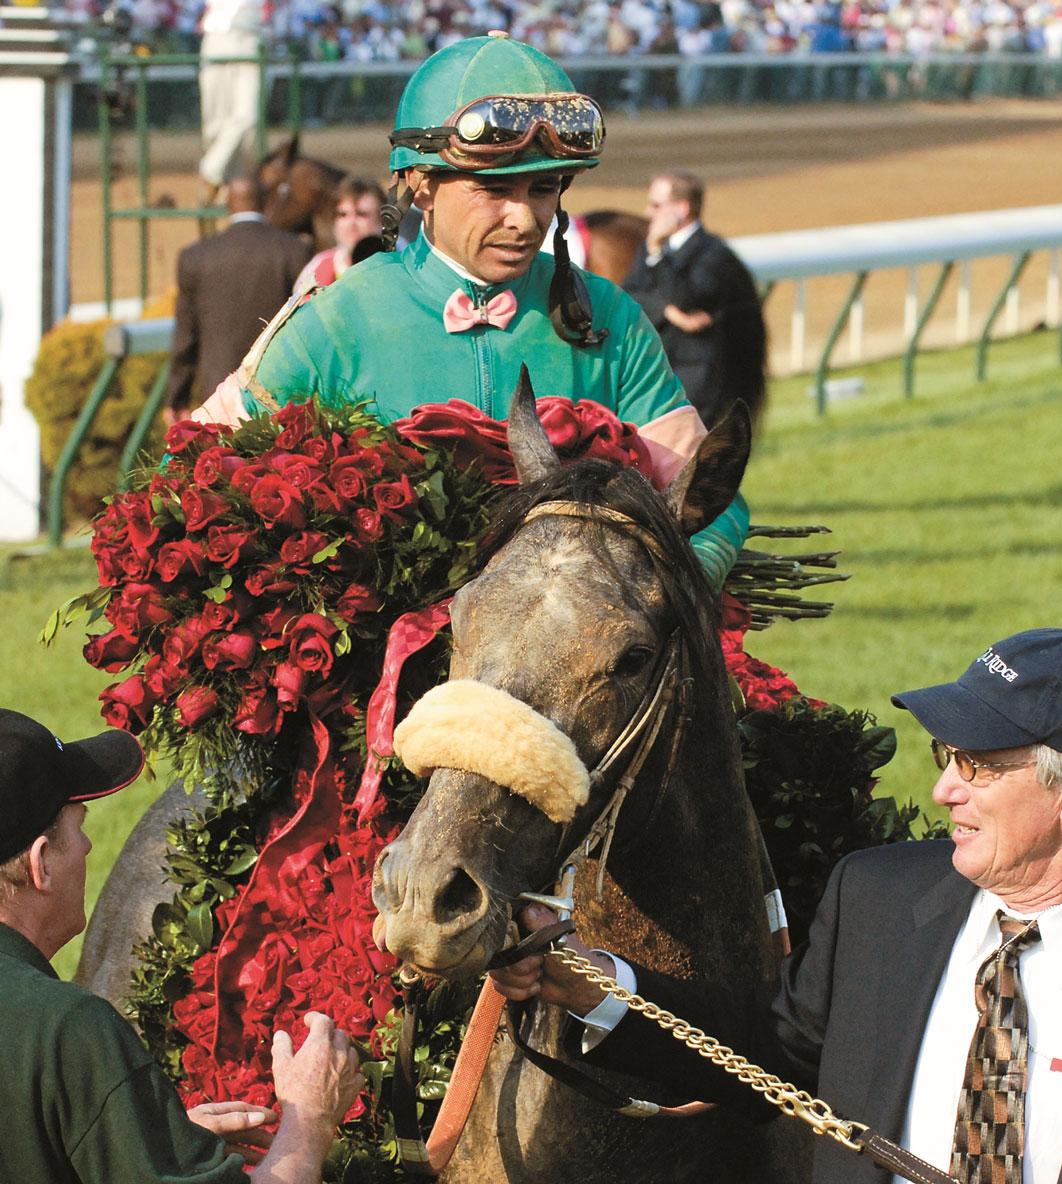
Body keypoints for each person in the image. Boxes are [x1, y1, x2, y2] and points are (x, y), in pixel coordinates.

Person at [493, 628, 1062, 1184]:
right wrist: (603, 989)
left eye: (977, 765)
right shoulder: (878, 898)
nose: (946, 790)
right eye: (943, 756)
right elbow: (772, 1059)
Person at [189, 32, 748, 589]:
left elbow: (709, 501)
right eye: (493, 189)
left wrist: (661, 594)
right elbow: (190, 477)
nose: (525, 219)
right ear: (419, 183)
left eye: (543, 188)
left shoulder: (611, 318)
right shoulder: (333, 320)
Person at [0, 707, 364, 1184]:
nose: (88, 847)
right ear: (41, 864)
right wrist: (309, 1121)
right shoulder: (67, 1030)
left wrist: (139, 1137)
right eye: (78, 827)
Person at [623, 171, 767, 429]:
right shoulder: (648, 249)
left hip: (698, 378)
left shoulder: (714, 254)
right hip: (657, 369)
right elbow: (629, 295)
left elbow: (685, 297)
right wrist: (670, 313)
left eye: (656, 206)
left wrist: (657, 254)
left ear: (682, 208)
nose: (647, 213)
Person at [165, 177, 310, 425]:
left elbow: (186, 338)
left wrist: (176, 398)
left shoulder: (195, 257)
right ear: (265, 203)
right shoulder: (295, 251)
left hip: (217, 397)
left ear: (227, 204)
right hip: (280, 397)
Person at [198, 0, 264, 204]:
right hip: (217, 35)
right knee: (215, 124)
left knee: (248, 117)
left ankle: (211, 171)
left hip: (251, 35)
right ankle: (230, 189)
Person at [292, 176, 386, 293]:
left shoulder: (401, 261)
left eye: (361, 214)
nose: (351, 223)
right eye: (343, 215)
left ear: (382, 220)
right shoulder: (318, 268)